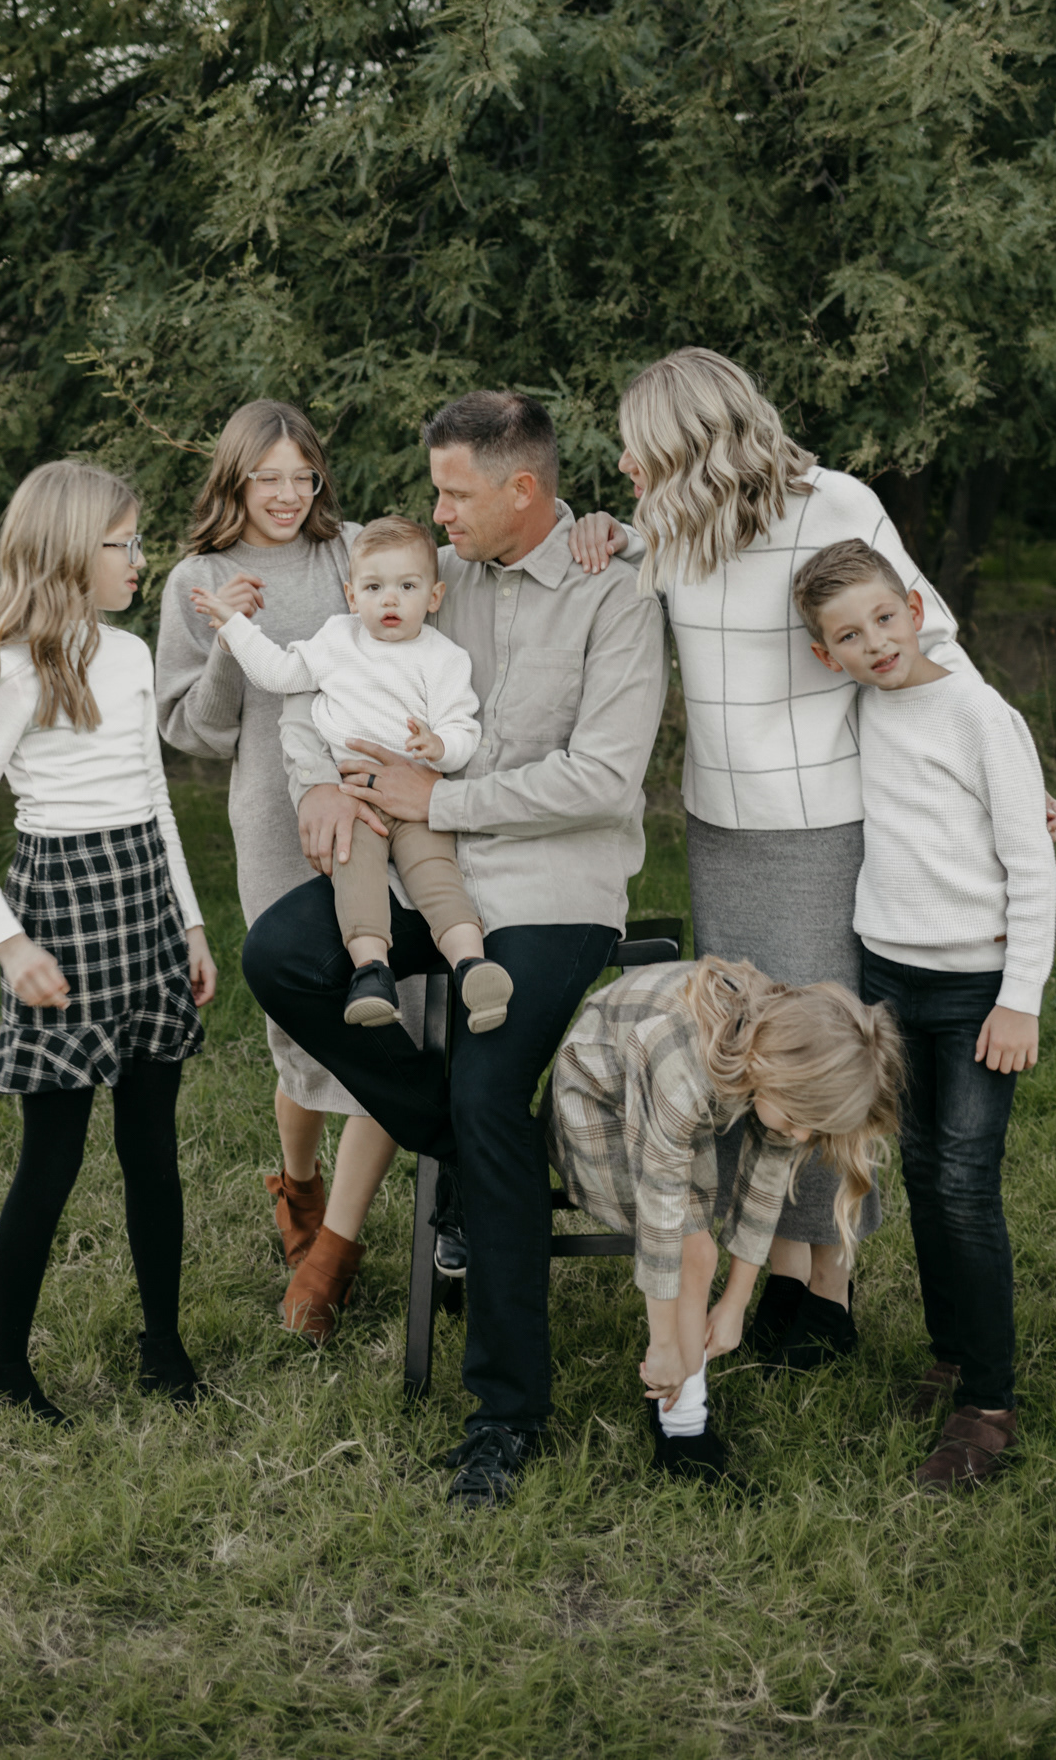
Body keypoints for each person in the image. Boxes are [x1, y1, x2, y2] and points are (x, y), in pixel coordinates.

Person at [243, 390, 668, 1511]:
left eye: (453, 493)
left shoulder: (614, 590)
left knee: (486, 1087)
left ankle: (504, 1416)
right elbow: (316, 680)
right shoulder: (434, 578)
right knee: (281, 955)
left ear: (522, 490)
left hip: (551, 889)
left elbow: (601, 779)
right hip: (416, 868)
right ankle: (494, 1167)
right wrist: (319, 782)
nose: (435, 514)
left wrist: (443, 796)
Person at [565, 346, 967, 1377]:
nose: (623, 465)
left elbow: (928, 639)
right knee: (749, 1051)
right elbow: (618, 551)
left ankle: (826, 1279)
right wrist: (604, 529)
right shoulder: (670, 522)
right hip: (720, 826)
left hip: (824, 825)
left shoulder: (836, 505)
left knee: (820, 1049)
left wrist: (1001, 768)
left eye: (638, 450)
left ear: (690, 444)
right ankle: (780, 1265)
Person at [0, 460, 216, 1424]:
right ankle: (5, 1366)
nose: (140, 559)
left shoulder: (130, 655)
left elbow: (155, 798)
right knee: (51, 1159)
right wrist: (12, 947)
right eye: (122, 544)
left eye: (138, 541)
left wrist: (189, 921)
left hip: (143, 903)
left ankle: (162, 1345)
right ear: (65, 552)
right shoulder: (9, 672)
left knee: (153, 1148)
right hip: (60, 910)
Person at [791, 536, 1056, 1492]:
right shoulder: (865, 709)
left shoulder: (980, 713)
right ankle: (951, 1355)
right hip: (890, 979)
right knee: (921, 1168)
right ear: (826, 656)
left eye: (883, 619)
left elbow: (1031, 866)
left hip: (977, 989)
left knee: (964, 1184)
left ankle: (987, 1403)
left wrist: (1019, 1000)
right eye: (848, 636)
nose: (874, 644)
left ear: (914, 608)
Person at [154, 400, 420, 1341]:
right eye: (266, 478)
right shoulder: (196, 579)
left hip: (379, 808)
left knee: (387, 1014)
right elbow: (193, 731)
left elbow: (431, 596)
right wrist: (231, 639)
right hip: (275, 819)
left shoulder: (351, 549)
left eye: (301, 476)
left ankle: (334, 1249)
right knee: (302, 1023)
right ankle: (298, 1187)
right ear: (233, 478)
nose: (285, 495)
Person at [544, 959, 903, 1484]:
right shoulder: (679, 1059)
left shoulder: (779, 1050)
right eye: (801, 1120)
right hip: (598, 1108)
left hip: (660, 1108)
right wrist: (663, 1346)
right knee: (695, 1251)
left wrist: (735, 1304)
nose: (803, 1137)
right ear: (777, 1070)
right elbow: (662, 1217)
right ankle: (681, 1428)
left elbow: (765, 1183)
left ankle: (683, 1391)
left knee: (700, 1243)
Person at [197, 514, 512, 1033]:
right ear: (351, 595)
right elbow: (279, 673)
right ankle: (372, 973)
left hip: (415, 801)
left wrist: (440, 745)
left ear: (433, 597)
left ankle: (471, 965)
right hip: (355, 800)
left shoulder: (442, 658)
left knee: (436, 876)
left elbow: (463, 727)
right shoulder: (336, 641)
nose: (390, 600)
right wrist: (234, 626)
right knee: (355, 874)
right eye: (373, 587)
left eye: (407, 587)